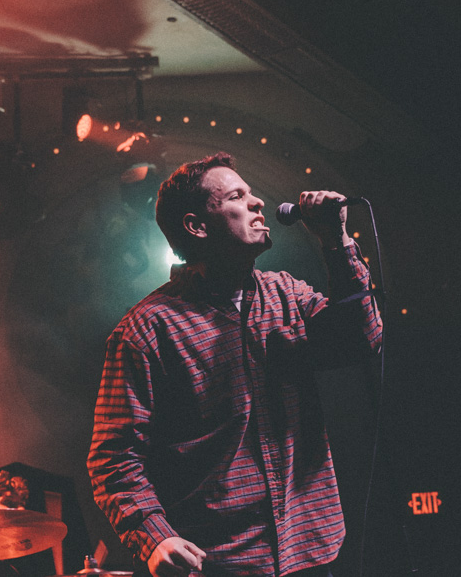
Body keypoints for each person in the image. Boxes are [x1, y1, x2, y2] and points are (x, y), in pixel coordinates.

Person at [87, 152, 382, 577]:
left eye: (251, 193)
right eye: (237, 197)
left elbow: (362, 339)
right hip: (218, 562)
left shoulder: (287, 295)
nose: (258, 202)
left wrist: (336, 242)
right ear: (197, 226)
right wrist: (155, 537)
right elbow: (114, 458)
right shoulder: (147, 330)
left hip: (309, 551)